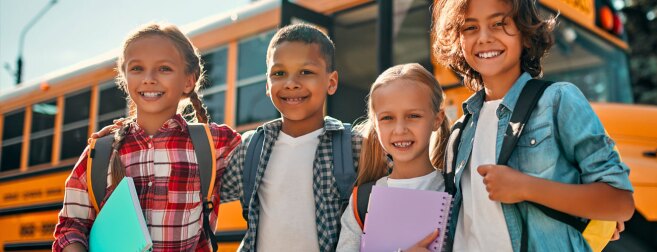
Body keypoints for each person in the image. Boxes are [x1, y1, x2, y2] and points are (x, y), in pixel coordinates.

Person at [431, 0, 635, 250]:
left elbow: (620, 203)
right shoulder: (459, 132)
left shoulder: (557, 101)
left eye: (499, 24)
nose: (484, 37)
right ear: (458, 43)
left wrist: (525, 187)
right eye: (470, 28)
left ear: (526, 35)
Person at [53, 23, 241, 252]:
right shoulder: (100, 153)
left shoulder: (215, 144)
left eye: (164, 68)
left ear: (188, 81)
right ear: (124, 78)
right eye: (137, 68)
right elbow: (72, 226)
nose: (149, 78)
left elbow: (270, 164)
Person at [218, 23, 361, 252]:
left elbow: (393, 198)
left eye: (306, 72)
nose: (291, 83)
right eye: (279, 73)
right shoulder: (252, 147)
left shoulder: (353, 146)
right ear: (267, 84)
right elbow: (200, 195)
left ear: (331, 82)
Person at [336, 63, 449, 251]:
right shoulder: (362, 201)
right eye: (387, 118)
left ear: (437, 119)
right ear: (375, 124)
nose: (400, 130)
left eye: (413, 116)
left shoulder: (458, 190)